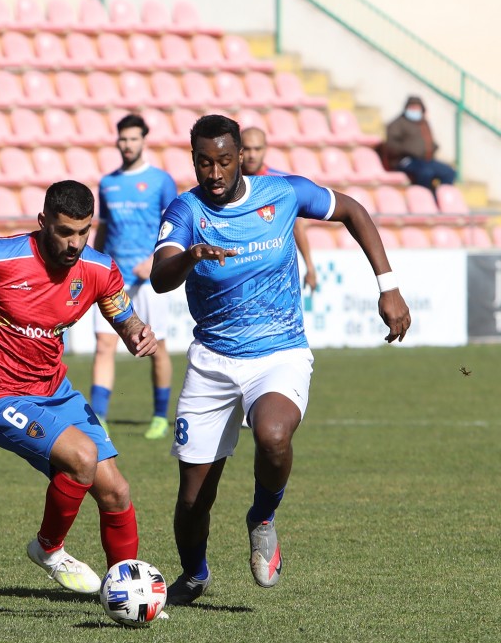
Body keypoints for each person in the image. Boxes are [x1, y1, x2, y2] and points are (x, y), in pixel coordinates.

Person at [150, 115, 410, 605]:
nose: (215, 173)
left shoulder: (283, 193)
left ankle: (263, 516)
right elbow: (162, 274)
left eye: (224, 161)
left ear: (241, 157)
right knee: (192, 501)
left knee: (272, 436)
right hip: (213, 361)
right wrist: (190, 257)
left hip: (279, 352)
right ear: (193, 160)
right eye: (205, 163)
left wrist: (388, 286)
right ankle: (196, 574)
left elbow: (352, 210)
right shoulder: (184, 211)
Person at [0, 181, 159, 595]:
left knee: (116, 491)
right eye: (65, 232)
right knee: (82, 458)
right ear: (43, 221)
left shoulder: (99, 268)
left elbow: (122, 313)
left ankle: (128, 591)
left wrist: (136, 332)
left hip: (54, 390)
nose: (75, 243)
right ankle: (48, 550)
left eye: (83, 232)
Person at [89, 114, 177, 441]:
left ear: (143, 140)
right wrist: (94, 262)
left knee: (158, 346)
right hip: (113, 278)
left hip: (149, 279)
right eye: (123, 139)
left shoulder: (161, 181)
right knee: (103, 344)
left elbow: (175, 226)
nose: (127, 145)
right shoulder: (107, 183)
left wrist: (155, 259)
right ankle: (98, 417)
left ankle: (159, 416)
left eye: (133, 139)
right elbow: (104, 229)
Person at [241, 126, 318, 292]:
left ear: (265, 149)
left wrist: (310, 267)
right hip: (239, 269)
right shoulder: (226, 184)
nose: (252, 155)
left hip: (274, 271)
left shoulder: (283, 183)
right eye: (246, 149)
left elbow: (297, 227)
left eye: (257, 149)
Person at [384, 95, 457, 191]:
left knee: (449, 172)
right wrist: (409, 150)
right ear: (406, 108)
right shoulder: (397, 124)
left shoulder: (423, 123)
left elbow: (429, 140)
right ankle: (422, 198)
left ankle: (438, 197)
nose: (414, 110)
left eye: (417, 108)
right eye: (412, 107)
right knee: (426, 173)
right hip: (406, 160)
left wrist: (433, 147)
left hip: (426, 160)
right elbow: (391, 145)